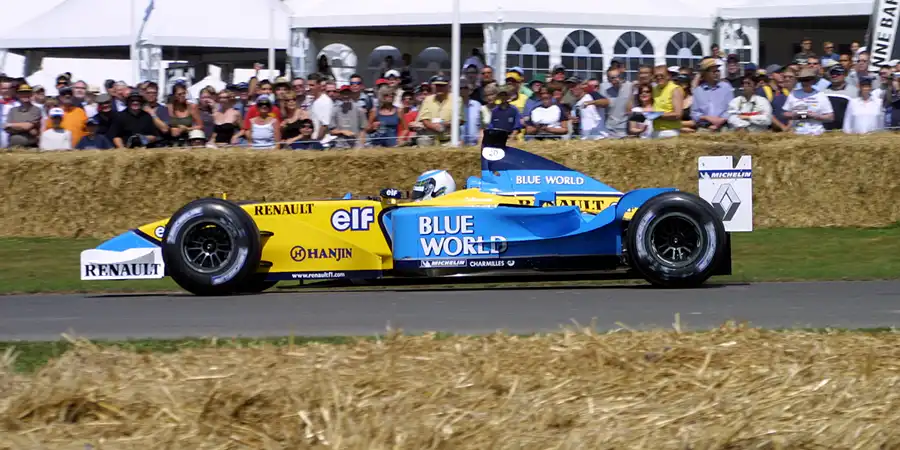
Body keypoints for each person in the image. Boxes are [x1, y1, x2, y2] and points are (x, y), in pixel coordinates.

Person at [782, 67, 834, 136]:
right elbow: (784, 114)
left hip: (816, 133)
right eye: (802, 80)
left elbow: (830, 117)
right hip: (797, 133)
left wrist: (815, 116)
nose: (805, 82)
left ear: (812, 81)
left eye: (807, 80)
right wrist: (796, 115)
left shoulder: (820, 95)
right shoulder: (793, 94)